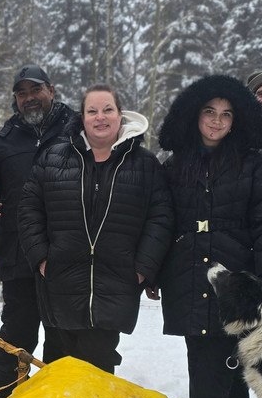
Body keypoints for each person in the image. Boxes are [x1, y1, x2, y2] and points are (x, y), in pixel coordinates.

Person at [153, 75, 262, 398]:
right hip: (188, 272)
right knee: (202, 352)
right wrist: (151, 271)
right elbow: (160, 222)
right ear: (194, 115)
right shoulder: (174, 165)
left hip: (236, 274)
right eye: (210, 112)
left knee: (231, 349)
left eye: (226, 115)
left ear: (236, 119)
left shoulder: (253, 163)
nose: (217, 121)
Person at [17, 85, 173, 374]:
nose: (100, 117)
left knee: (98, 369)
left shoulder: (144, 164)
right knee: (58, 367)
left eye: (107, 110)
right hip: (61, 281)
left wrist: (142, 268)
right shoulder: (54, 158)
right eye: (92, 111)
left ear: (120, 114)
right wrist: (41, 258)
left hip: (114, 284)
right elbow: (29, 209)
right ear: (82, 117)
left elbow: (160, 218)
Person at [0, 65, 74, 398]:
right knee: (16, 336)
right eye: (22, 93)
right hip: (17, 255)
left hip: (64, 255)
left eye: (35, 90)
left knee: (63, 338)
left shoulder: (76, 130)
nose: (29, 98)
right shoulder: (4, 139)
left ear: (51, 90)